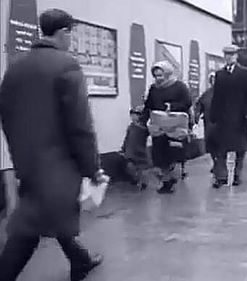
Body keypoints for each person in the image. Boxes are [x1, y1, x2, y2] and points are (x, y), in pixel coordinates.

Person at [0, 9, 106, 281]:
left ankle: (81, 261)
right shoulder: (66, 65)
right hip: (59, 165)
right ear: (63, 33)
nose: (72, 39)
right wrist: (92, 168)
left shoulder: (16, 66)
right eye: (71, 33)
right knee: (29, 230)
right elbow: (80, 125)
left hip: (27, 162)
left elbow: (7, 116)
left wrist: (19, 156)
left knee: (48, 215)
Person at [139, 61, 192, 194]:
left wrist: (172, 107)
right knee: (159, 155)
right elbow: (148, 105)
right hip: (159, 126)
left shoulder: (179, 86)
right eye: (156, 75)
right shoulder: (154, 89)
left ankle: (173, 176)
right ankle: (167, 181)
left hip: (175, 126)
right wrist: (143, 120)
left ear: (168, 74)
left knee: (173, 153)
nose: (158, 78)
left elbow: (187, 102)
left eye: (161, 75)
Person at [209, 45, 247, 188]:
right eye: (226, 55)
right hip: (223, 119)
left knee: (240, 149)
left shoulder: (246, 73)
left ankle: (237, 175)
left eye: (231, 55)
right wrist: (213, 115)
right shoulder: (220, 75)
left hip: (240, 118)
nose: (229, 57)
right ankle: (221, 176)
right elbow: (216, 97)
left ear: (236, 56)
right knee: (221, 149)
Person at [120, 105, 150, 189]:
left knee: (142, 167)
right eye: (132, 115)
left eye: (136, 114)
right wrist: (123, 148)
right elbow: (127, 138)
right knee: (130, 165)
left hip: (140, 150)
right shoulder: (131, 127)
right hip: (130, 150)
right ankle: (136, 178)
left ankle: (143, 182)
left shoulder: (144, 128)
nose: (133, 117)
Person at [194, 72, 218, 174]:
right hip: (209, 124)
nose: (213, 81)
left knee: (221, 145)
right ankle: (216, 162)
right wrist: (196, 116)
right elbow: (199, 106)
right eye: (211, 79)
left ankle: (220, 165)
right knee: (210, 145)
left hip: (222, 124)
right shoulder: (206, 94)